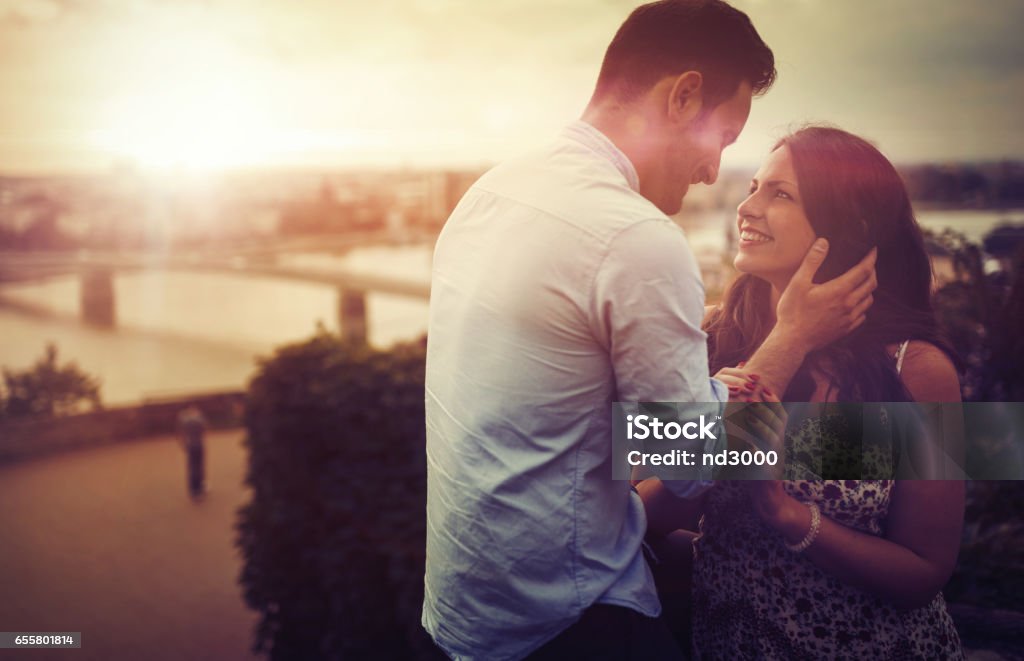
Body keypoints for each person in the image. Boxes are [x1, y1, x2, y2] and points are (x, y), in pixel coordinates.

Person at [422, 3, 878, 659]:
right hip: (568, 624)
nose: (716, 177)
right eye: (722, 138)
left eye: (778, 193)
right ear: (683, 95)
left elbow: (570, 419)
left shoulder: (492, 191)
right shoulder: (635, 238)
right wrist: (791, 338)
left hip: (466, 614)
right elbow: (688, 466)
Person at [643, 126, 966, 659]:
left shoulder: (918, 369)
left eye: (781, 194)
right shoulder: (703, 341)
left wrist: (788, 514)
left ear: (850, 225)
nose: (747, 207)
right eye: (753, 187)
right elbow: (641, 513)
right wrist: (736, 403)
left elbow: (925, 571)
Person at [178, 404, 207, 499]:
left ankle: (194, 490)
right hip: (199, 444)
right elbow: (204, 428)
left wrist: (183, 444)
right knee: (199, 466)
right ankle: (199, 488)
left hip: (190, 445)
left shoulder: (184, 419)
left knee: (192, 467)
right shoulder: (198, 418)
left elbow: (181, 432)